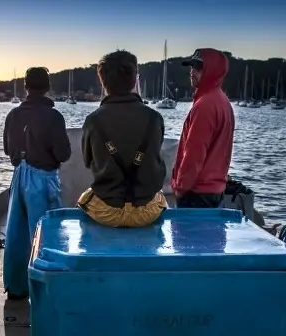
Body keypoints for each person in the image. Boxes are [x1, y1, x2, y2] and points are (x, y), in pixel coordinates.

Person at [2, 67, 71, 299]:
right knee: (45, 234)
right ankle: (45, 291)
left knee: (16, 234)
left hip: (18, 176)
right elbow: (63, 154)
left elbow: (6, 149)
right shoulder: (53, 116)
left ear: (26, 87)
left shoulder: (12, 115)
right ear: (48, 86)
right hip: (42, 178)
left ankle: (16, 287)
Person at [77, 50, 167, 227]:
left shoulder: (93, 121)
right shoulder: (155, 118)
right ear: (135, 79)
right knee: (161, 197)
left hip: (106, 212)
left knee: (84, 199)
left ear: (103, 81)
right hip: (146, 212)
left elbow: (88, 162)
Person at [171, 48, 235, 208]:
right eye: (191, 67)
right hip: (214, 192)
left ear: (213, 71)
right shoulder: (223, 102)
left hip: (196, 194)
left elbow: (194, 153)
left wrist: (180, 188)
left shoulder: (205, 105)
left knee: (186, 234)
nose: (192, 72)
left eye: (199, 68)